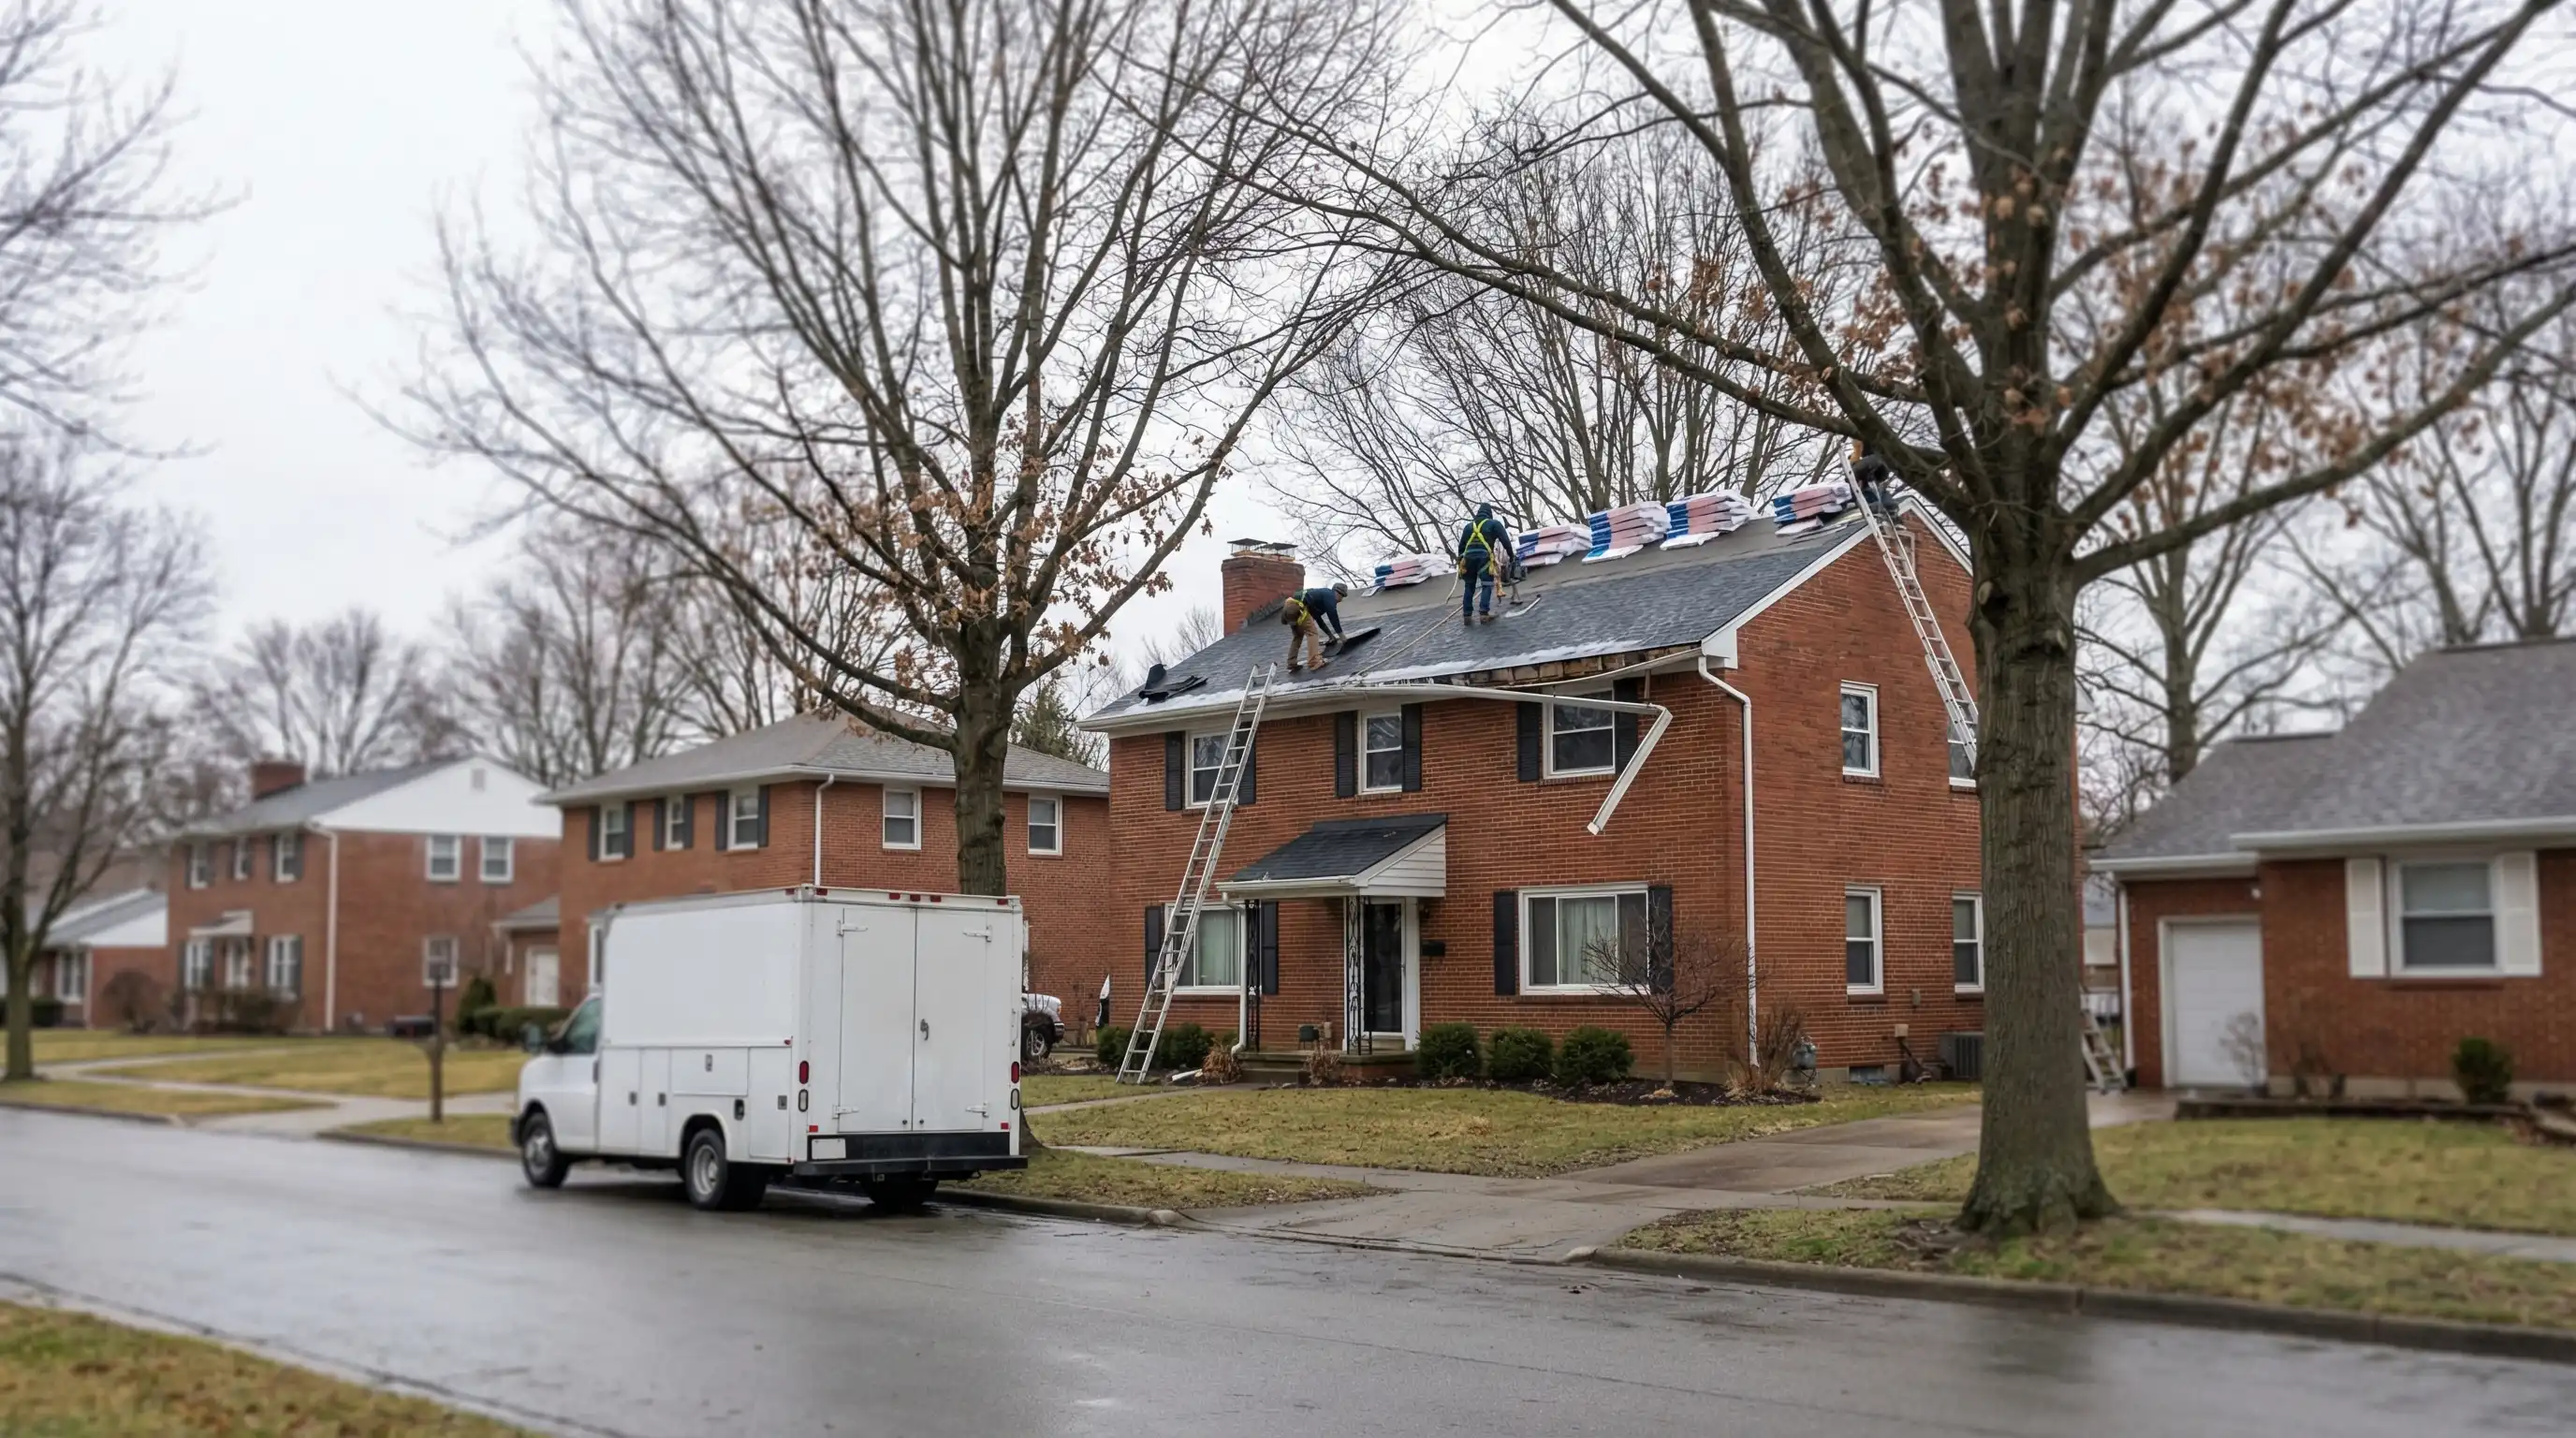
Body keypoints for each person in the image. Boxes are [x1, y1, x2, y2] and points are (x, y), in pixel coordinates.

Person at [1457, 503, 1513, 624]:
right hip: (1484, 558)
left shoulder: (1468, 527)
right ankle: (1483, 614)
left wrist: (1461, 562)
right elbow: (1505, 541)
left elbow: (1461, 547)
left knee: (1469, 586)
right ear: (1489, 513)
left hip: (1468, 559)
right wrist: (1511, 556)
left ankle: (1467, 616)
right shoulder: (1494, 524)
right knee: (1487, 584)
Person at [1281, 585, 1345, 672]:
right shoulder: (1330, 595)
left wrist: (1331, 636)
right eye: (1342, 597)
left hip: (1288, 606)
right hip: (1298, 607)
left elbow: (1319, 620)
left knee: (1298, 636)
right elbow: (1333, 615)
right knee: (1312, 633)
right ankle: (1314, 662)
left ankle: (1291, 663)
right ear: (1338, 593)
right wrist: (1341, 635)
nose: (1340, 600)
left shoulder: (1318, 598)